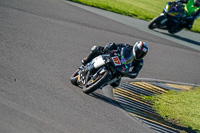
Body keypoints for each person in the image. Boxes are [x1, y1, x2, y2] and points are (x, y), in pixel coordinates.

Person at [81, 41, 149, 87]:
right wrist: (109, 47)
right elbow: (115, 45)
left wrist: (128, 74)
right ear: (135, 48)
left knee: (115, 84)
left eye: (142, 54)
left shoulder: (140, 62)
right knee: (97, 48)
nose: (140, 55)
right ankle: (87, 59)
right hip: (114, 59)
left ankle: (100, 82)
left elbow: (135, 73)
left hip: (120, 69)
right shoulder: (127, 47)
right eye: (139, 52)